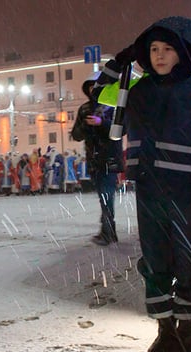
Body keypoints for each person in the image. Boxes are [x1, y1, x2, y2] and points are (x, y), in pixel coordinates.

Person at [103, 17, 191, 352]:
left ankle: (187, 333)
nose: (159, 56)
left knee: (190, 261)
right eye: (153, 49)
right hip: (149, 190)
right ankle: (165, 333)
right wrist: (121, 61)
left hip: (189, 190)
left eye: (168, 49)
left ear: (184, 53)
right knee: (156, 259)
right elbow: (96, 91)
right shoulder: (135, 89)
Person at [72, 74, 124, 245]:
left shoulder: (113, 106)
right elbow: (76, 135)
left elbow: (120, 130)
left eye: (97, 86)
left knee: (106, 195)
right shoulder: (85, 109)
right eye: (91, 87)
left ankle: (108, 232)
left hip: (109, 157)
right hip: (94, 160)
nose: (93, 90)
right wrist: (84, 126)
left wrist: (101, 122)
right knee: (103, 196)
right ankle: (109, 231)